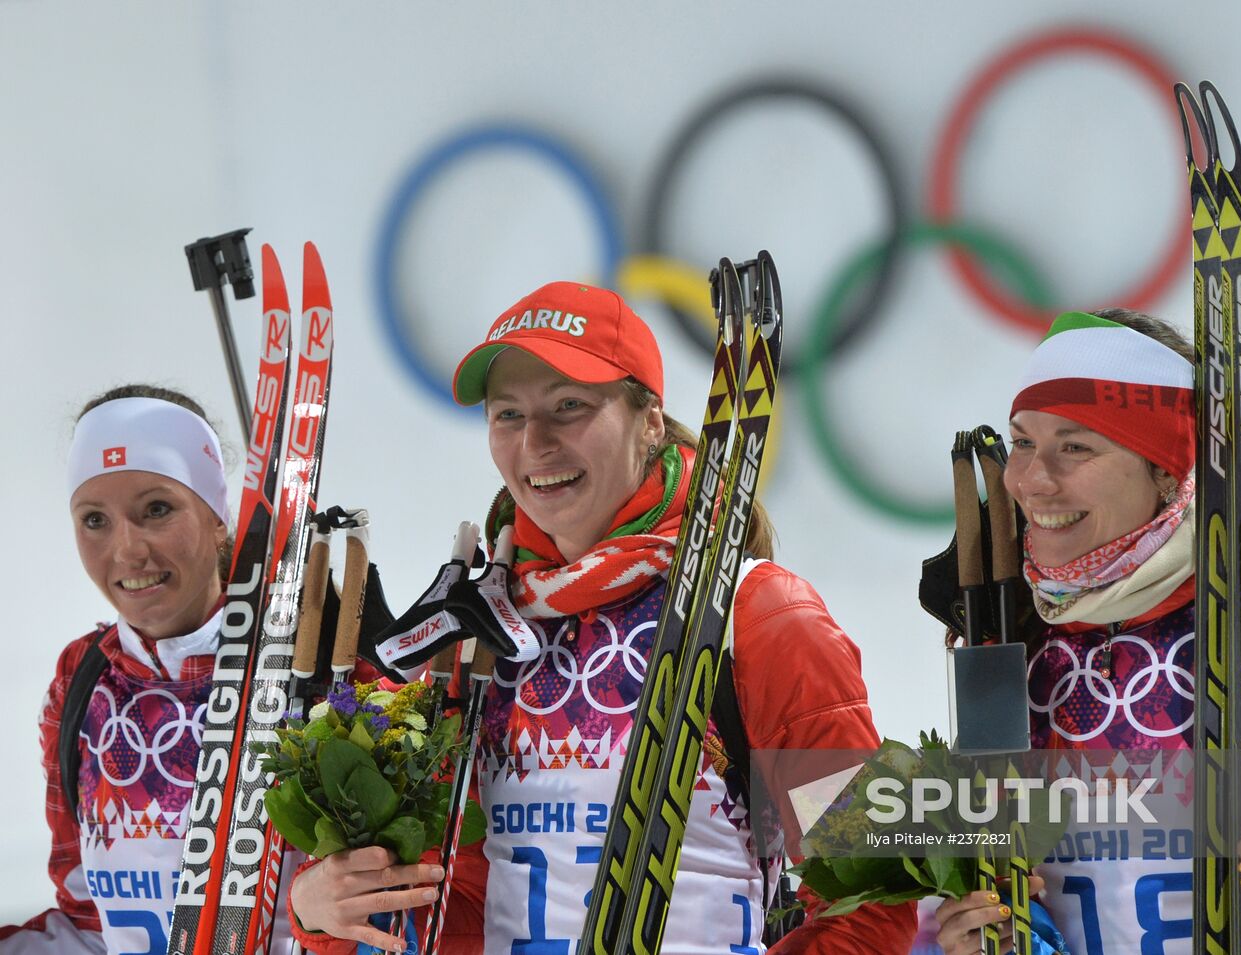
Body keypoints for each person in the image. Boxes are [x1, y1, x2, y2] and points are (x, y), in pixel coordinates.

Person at [287, 281, 917, 953]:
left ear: (649, 419)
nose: (537, 442)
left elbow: (874, 900)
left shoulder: (759, 614)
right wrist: (325, 910)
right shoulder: (478, 631)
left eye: (570, 406)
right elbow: (466, 904)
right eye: (508, 415)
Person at [933, 309, 1241, 955]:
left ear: (1164, 468)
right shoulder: (1013, 623)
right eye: (1021, 442)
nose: (1031, 480)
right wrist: (972, 929)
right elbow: (998, 870)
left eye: (1076, 446)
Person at [1, 387, 236, 955]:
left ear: (218, 517)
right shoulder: (82, 679)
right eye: (95, 520)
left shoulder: (312, 665)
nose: (127, 551)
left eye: (156, 509)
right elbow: (89, 919)